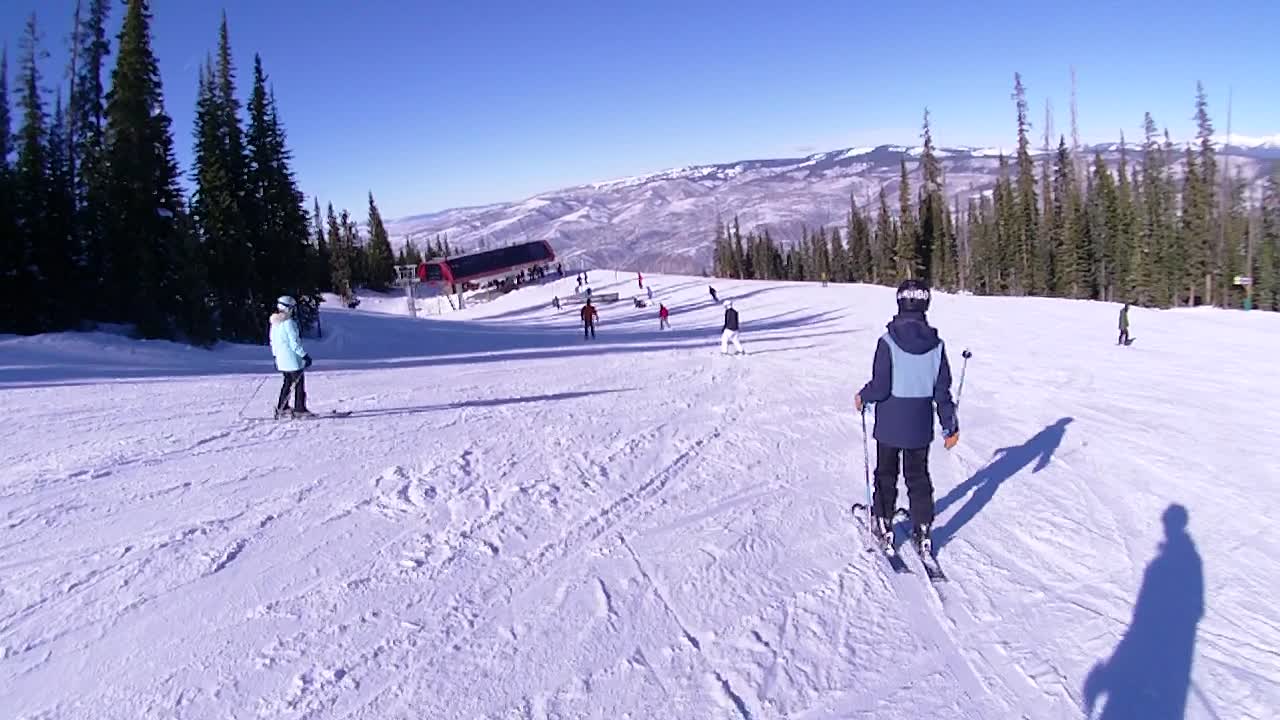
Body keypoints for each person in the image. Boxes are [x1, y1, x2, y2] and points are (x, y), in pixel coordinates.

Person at [854, 279, 959, 555]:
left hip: (890, 422)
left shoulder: (887, 342)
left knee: (886, 474)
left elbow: (880, 386)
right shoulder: (936, 346)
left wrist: (863, 396)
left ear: (900, 302)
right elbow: (942, 391)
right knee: (918, 476)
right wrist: (950, 426)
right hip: (919, 424)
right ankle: (923, 528)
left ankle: (883, 521)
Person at [269, 295, 313, 419]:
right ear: (288, 308)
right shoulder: (289, 323)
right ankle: (300, 409)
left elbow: (273, 341)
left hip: (281, 360)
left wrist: (276, 356)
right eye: (292, 308)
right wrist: (304, 356)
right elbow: (294, 343)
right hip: (292, 360)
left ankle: (282, 408)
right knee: (299, 384)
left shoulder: (274, 323)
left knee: (287, 383)